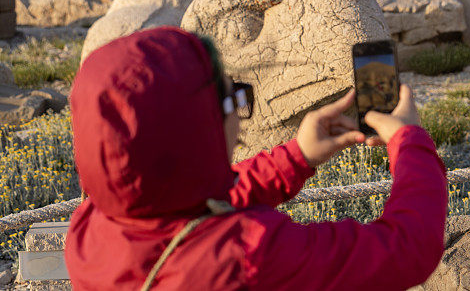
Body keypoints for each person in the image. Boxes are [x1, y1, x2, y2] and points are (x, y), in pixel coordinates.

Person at [64, 27, 448, 290]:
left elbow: (188, 193)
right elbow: (407, 248)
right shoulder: (249, 254)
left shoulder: (88, 226)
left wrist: (296, 158)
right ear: (200, 125)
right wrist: (409, 141)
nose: (237, 114)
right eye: (233, 98)